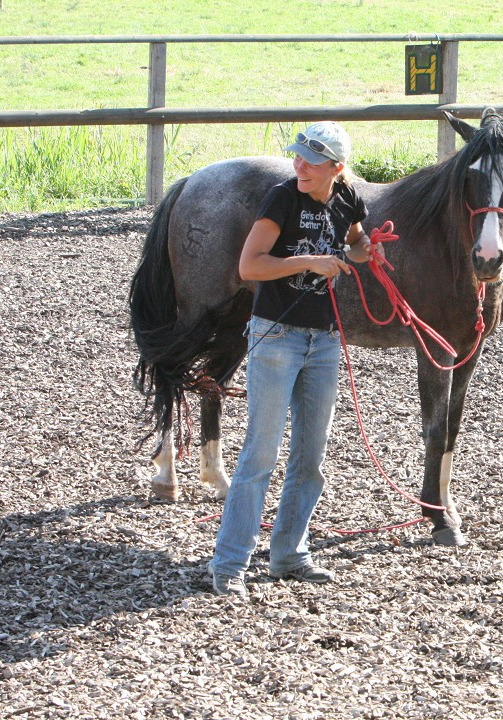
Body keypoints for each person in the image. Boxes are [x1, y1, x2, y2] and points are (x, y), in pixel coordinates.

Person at [209, 121, 372, 596]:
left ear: (336, 169)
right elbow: (250, 265)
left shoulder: (348, 201)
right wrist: (309, 262)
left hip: (323, 342)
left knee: (310, 455)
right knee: (260, 454)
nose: (299, 165)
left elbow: (357, 244)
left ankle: (288, 554)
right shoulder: (282, 198)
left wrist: (365, 250)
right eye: (297, 156)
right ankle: (229, 565)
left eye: (311, 160)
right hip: (275, 335)